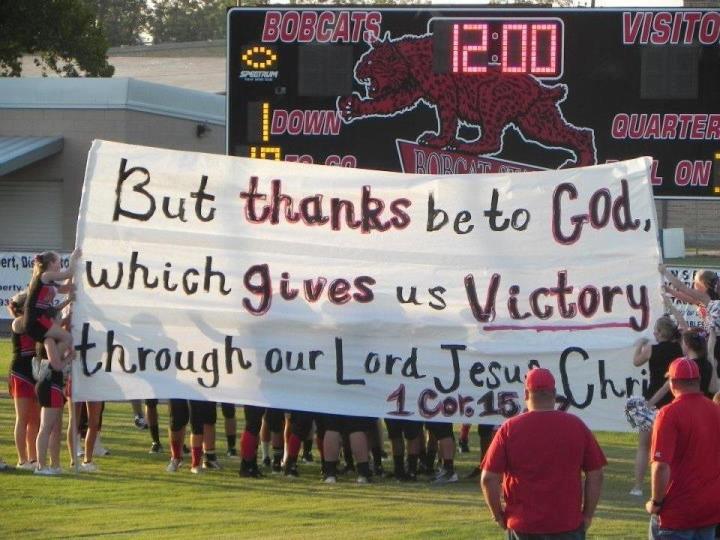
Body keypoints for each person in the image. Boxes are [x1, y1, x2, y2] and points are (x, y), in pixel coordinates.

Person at [481, 368, 606, 539]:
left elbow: (488, 478)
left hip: (523, 525)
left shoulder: (509, 429)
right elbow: (596, 474)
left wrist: (498, 515)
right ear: (554, 394)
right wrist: (587, 514)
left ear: (526, 394)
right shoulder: (576, 426)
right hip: (566, 524)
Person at [646, 357, 720, 539]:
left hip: (677, 509)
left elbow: (661, 465)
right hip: (710, 507)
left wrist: (656, 502)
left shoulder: (669, 414)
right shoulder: (715, 410)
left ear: (672, 382)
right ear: (698, 380)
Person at [629, 315, 682, 497]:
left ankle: (637, 486)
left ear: (660, 333)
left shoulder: (652, 348)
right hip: (673, 397)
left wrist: (640, 345)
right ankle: (670, 485)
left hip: (652, 398)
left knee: (644, 446)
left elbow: (636, 361)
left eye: (656, 331)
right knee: (672, 447)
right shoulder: (680, 348)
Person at [7, 292, 40, 470]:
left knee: (35, 419)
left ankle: (33, 458)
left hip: (35, 370)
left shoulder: (35, 319)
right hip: (20, 372)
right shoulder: (18, 322)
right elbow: (32, 325)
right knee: (23, 418)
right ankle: (22, 459)